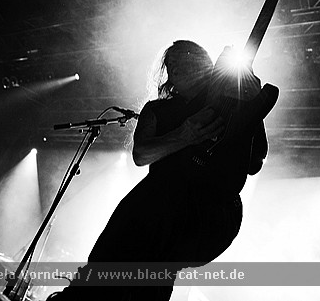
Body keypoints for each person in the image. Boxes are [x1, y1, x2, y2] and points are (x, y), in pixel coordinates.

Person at [48, 40, 269, 301]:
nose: (174, 66)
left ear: (203, 62)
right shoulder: (156, 110)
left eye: (184, 57)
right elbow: (141, 155)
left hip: (203, 213)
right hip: (156, 206)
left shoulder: (228, 102)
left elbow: (255, 162)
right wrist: (183, 136)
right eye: (170, 63)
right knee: (110, 259)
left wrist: (251, 107)